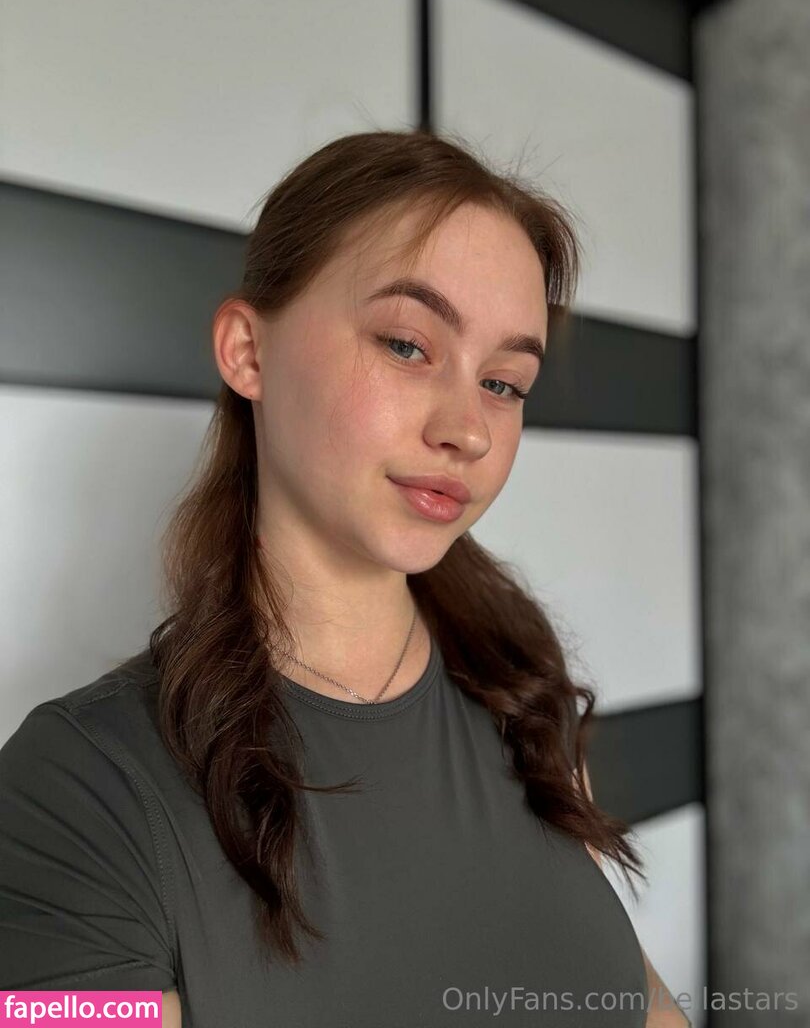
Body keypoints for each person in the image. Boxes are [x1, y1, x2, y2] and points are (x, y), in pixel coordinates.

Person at [0, 129, 690, 1027]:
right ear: (248, 351)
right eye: (407, 345)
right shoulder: (80, 793)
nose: (468, 429)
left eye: (505, 383)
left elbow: (643, 1005)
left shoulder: (521, 692)